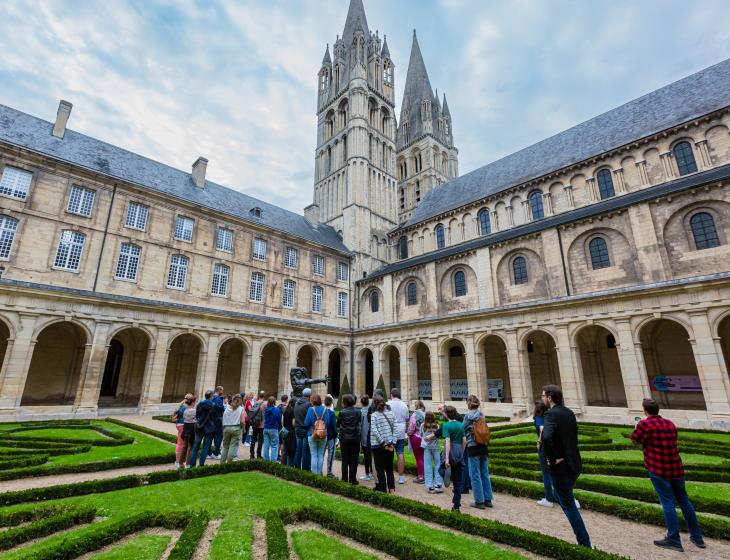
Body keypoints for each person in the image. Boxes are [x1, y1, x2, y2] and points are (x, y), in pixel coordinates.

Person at [631, 398, 705, 552]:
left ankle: (674, 539)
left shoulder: (645, 424)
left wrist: (638, 430)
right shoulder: (669, 423)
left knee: (668, 503)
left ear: (645, 410)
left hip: (659, 469)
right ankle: (697, 537)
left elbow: (635, 440)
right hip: (676, 468)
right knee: (684, 501)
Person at [541, 385, 591, 548]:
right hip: (575, 463)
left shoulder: (550, 414)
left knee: (568, 504)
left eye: (543, 396)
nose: (542, 399)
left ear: (549, 397)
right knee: (564, 496)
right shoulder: (569, 412)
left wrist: (553, 458)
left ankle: (584, 542)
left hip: (561, 467)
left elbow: (547, 437)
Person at [462, 395, 494, 509]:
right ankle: (488, 499)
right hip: (483, 446)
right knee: (485, 473)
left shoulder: (467, 416)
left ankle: (479, 501)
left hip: (473, 446)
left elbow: (462, 429)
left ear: (468, 404)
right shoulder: (482, 415)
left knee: (474, 474)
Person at [441, 405, 466, 512]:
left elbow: (447, 441)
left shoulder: (446, 425)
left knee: (440, 469)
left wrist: (446, 458)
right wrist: (462, 451)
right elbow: (464, 440)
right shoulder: (460, 424)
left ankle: (448, 477)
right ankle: (456, 506)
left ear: (446, 414)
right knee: (458, 482)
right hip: (459, 451)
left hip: (451, 451)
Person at [370, 395, 396, 493]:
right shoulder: (391, 413)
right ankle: (392, 488)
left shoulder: (374, 415)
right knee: (389, 468)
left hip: (378, 445)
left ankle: (382, 489)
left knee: (380, 469)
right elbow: (395, 429)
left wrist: (383, 443)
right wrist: (393, 443)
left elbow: (374, 430)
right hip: (390, 444)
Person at [533, 400, 556, 507]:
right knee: (553, 472)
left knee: (546, 473)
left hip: (543, 447)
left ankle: (548, 499)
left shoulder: (538, 418)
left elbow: (542, 429)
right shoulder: (548, 417)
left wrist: (539, 440)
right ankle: (556, 496)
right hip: (551, 446)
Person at [386, 388, 410, 485]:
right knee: (400, 453)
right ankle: (401, 477)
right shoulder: (404, 405)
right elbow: (407, 418)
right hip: (400, 430)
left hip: (390, 429)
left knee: (388, 453)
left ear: (391, 395)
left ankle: (389, 475)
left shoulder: (388, 404)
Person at [338, 393, 362, 484]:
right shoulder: (357, 412)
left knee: (345, 459)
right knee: (354, 460)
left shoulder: (342, 412)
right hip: (355, 438)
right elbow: (359, 422)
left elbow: (337, 424)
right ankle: (352, 479)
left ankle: (344, 479)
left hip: (344, 438)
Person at [188, 389, 216, 467]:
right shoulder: (213, 405)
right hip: (209, 428)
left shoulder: (200, 404)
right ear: (211, 396)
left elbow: (197, 415)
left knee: (195, 446)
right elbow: (214, 417)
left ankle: (192, 465)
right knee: (205, 446)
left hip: (199, 427)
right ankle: (201, 464)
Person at [304, 393, 329, 475]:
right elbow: (327, 423)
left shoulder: (311, 409)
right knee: (321, 454)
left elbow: (306, 423)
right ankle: (319, 474)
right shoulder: (325, 409)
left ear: (312, 401)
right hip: (323, 435)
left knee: (314, 454)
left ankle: (314, 474)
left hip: (312, 434)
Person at [421, 411, 443, 493]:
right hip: (436, 447)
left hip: (427, 447)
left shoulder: (423, 426)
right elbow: (440, 435)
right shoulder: (437, 426)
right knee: (438, 465)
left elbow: (421, 435)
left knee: (428, 466)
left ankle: (430, 486)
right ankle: (439, 484)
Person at [220, 394, 245, 463]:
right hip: (236, 428)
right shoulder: (241, 408)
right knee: (232, 446)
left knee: (225, 447)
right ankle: (229, 464)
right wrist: (244, 429)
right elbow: (243, 421)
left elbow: (223, 418)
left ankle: (222, 463)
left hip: (226, 427)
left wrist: (223, 428)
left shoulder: (227, 408)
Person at [407, 400, 426, 484]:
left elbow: (412, 426)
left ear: (416, 406)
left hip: (416, 437)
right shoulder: (425, 414)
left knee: (418, 458)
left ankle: (421, 476)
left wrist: (408, 433)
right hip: (424, 437)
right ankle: (426, 475)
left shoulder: (415, 414)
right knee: (423, 457)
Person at [294, 388, 312, 470]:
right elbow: (310, 418)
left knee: (298, 450)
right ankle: (305, 469)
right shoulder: (308, 404)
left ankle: (297, 467)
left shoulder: (297, 403)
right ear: (309, 396)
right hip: (305, 429)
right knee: (305, 451)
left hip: (297, 428)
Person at [173, 393, 193, 467]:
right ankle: (178, 461)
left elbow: (174, 415)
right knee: (183, 444)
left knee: (180, 443)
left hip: (178, 425)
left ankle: (178, 461)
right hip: (184, 425)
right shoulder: (187, 407)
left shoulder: (180, 405)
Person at [179, 395, 197, 468]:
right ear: (192, 403)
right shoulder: (194, 411)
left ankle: (180, 463)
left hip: (186, 428)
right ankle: (188, 463)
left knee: (184, 446)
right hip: (191, 428)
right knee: (190, 447)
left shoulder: (185, 410)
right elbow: (196, 419)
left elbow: (184, 418)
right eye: (195, 402)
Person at [262, 395, 282, 461]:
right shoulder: (276, 410)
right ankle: (273, 461)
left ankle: (266, 460)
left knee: (266, 446)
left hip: (266, 428)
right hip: (273, 428)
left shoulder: (266, 409)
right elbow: (279, 420)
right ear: (274, 402)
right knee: (274, 445)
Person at [248, 391, 266, 459]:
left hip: (254, 423)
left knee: (253, 439)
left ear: (259, 396)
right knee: (260, 440)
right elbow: (264, 415)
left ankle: (251, 455)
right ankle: (258, 455)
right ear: (264, 396)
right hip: (261, 425)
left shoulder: (255, 403)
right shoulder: (264, 404)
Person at [359, 395, 373, 481]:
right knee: (372, 456)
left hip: (364, 436)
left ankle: (368, 474)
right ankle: (372, 472)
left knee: (366, 456)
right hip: (372, 435)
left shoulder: (360, 412)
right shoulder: (371, 410)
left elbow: (360, 426)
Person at [324, 395, 338, 477]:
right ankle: (329, 472)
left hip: (322, 436)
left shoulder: (322, 411)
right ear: (331, 403)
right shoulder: (332, 413)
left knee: (321, 453)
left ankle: (319, 471)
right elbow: (334, 427)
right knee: (331, 454)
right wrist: (336, 436)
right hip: (330, 437)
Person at [209, 385, 225, 460]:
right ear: (219, 390)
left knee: (211, 436)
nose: (222, 392)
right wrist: (223, 407)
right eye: (222, 390)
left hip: (212, 419)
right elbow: (219, 407)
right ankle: (216, 453)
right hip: (217, 419)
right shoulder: (218, 398)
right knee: (219, 436)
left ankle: (208, 453)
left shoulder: (212, 397)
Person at [281, 396, 296, 466]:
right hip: (290, 432)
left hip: (285, 430)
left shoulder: (285, 409)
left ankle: (283, 464)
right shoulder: (293, 411)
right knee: (291, 450)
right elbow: (293, 423)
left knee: (284, 449)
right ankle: (290, 465)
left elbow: (282, 421)